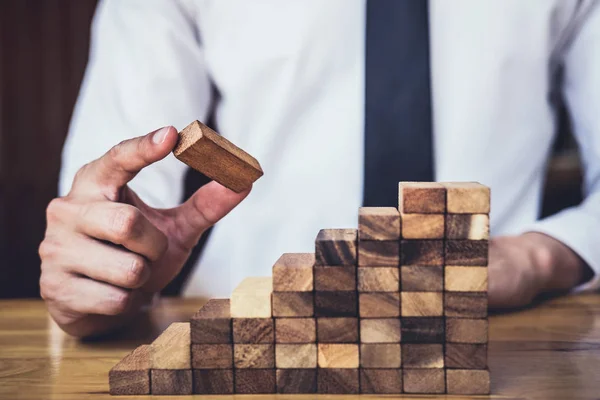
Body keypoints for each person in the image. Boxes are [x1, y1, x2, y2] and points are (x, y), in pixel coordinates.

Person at [40, 0, 600, 337]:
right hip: (248, 336)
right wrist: (108, 266)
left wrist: (537, 257)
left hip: (491, 330)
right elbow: (107, 202)